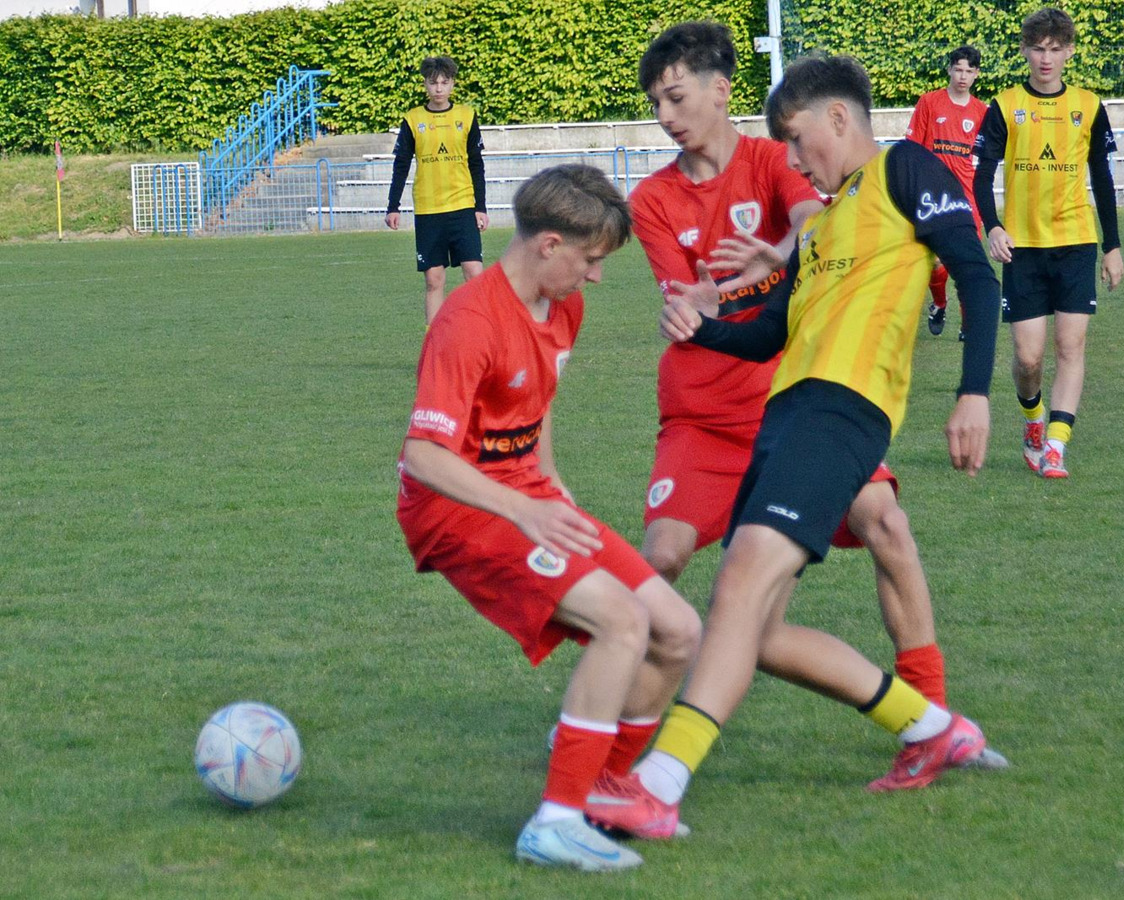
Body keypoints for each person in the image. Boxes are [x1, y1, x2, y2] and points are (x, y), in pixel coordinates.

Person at [584, 55, 1004, 836]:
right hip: (784, 417)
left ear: (838, 118)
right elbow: (768, 333)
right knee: (758, 631)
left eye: (799, 138)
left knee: (742, 584)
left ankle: (658, 786)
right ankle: (931, 729)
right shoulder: (826, 227)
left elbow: (976, 276)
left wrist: (973, 393)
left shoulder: (904, 169)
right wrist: (700, 326)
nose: (795, 158)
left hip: (843, 410)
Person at [395, 165, 701, 871]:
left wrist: (551, 485)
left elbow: (536, 403)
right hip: (455, 510)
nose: (596, 276)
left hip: (527, 497)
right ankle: (555, 824)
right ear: (549, 243)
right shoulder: (468, 321)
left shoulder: (563, 308)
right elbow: (422, 455)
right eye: (590, 260)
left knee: (677, 630)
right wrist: (522, 508)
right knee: (621, 622)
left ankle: (602, 789)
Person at [973, 8, 1124, 479]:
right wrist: (993, 226)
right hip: (1023, 248)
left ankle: (1056, 446)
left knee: (1071, 347)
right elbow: (982, 175)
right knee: (1028, 358)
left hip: (1076, 242)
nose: (1046, 58)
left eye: (1055, 49)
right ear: (1024, 50)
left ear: (1069, 52)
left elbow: (1103, 178)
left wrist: (1112, 245)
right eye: (1038, 48)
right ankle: (1033, 418)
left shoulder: (1089, 106)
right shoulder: (1004, 106)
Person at [385, 56, 490, 325]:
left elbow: (476, 164)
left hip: (462, 206)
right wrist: (393, 206)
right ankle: (434, 343)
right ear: (425, 85)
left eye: (444, 82)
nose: (439, 88)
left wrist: (480, 207)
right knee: (434, 279)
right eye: (434, 83)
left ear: (453, 84)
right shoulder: (413, 119)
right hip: (429, 209)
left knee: (474, 273)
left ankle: (480, 336)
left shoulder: (466, 116)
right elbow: (401, 165)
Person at [906, 45, 988, 340]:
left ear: (976, 74)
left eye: (969, 71)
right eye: (958, 69)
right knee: (936, 264)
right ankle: (939, 304)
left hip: (966, 198)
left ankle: (968, 326)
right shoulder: (929, 102)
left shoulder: (982, 112)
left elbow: (984, 158)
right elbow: (912, 148)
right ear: (950, 70)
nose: (963, 76)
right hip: (933, 196)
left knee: (967, 263)